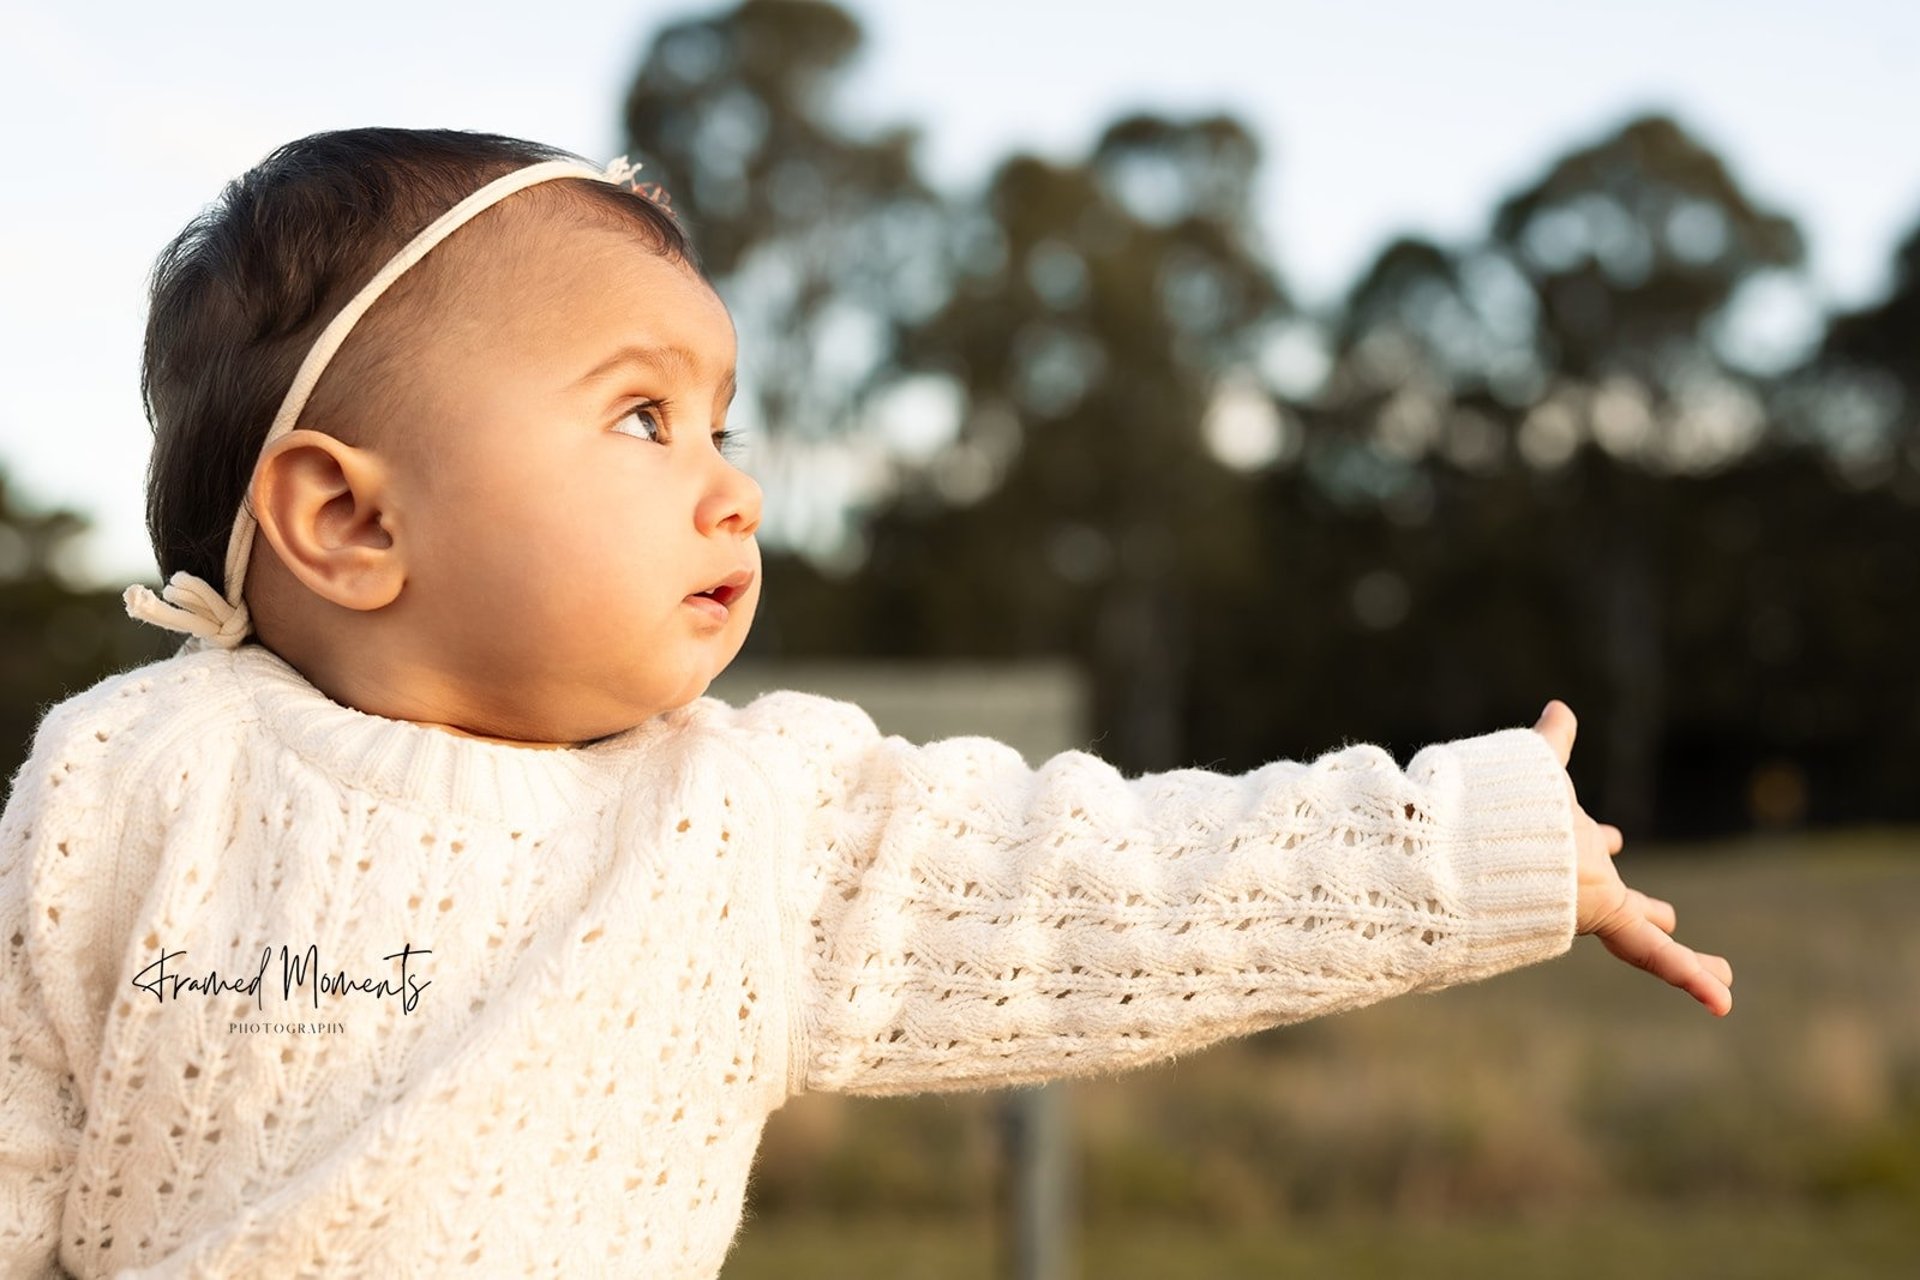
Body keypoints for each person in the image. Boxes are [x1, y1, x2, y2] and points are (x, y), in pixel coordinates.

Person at [0, 126, 1733, 1280]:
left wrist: (1479, 843)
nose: (733, 487)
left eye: (722, 419)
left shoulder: (748, 825)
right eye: (640, 419)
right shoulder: (132, 781)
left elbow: (1107, 891)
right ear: (351, 518)